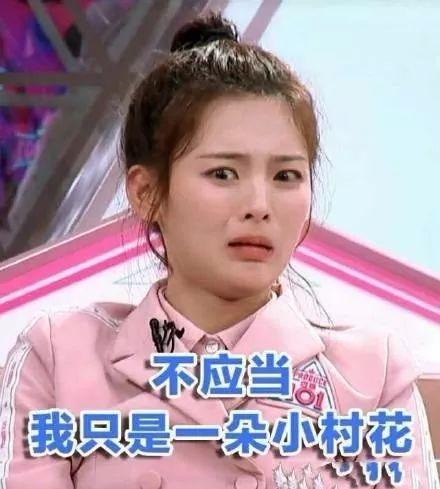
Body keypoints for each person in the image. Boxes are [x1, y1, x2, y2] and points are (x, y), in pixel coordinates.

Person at [0, 11, 438, 489]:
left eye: (286, 176)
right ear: (146, 192)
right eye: (223, 173)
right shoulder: (58, 356)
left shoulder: (374, 375)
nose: (259, 206)